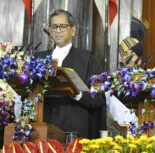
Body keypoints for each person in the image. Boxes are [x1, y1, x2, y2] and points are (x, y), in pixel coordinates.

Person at [36, 9, 106, 139]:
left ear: (73, 30)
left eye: (63, 26)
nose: (58, 30)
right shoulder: (39, 59)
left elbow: (98, 98)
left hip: (74, 131)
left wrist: (77, 92)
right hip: (43, 128)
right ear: (50, 31)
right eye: (54, 26)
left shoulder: (89, 59)